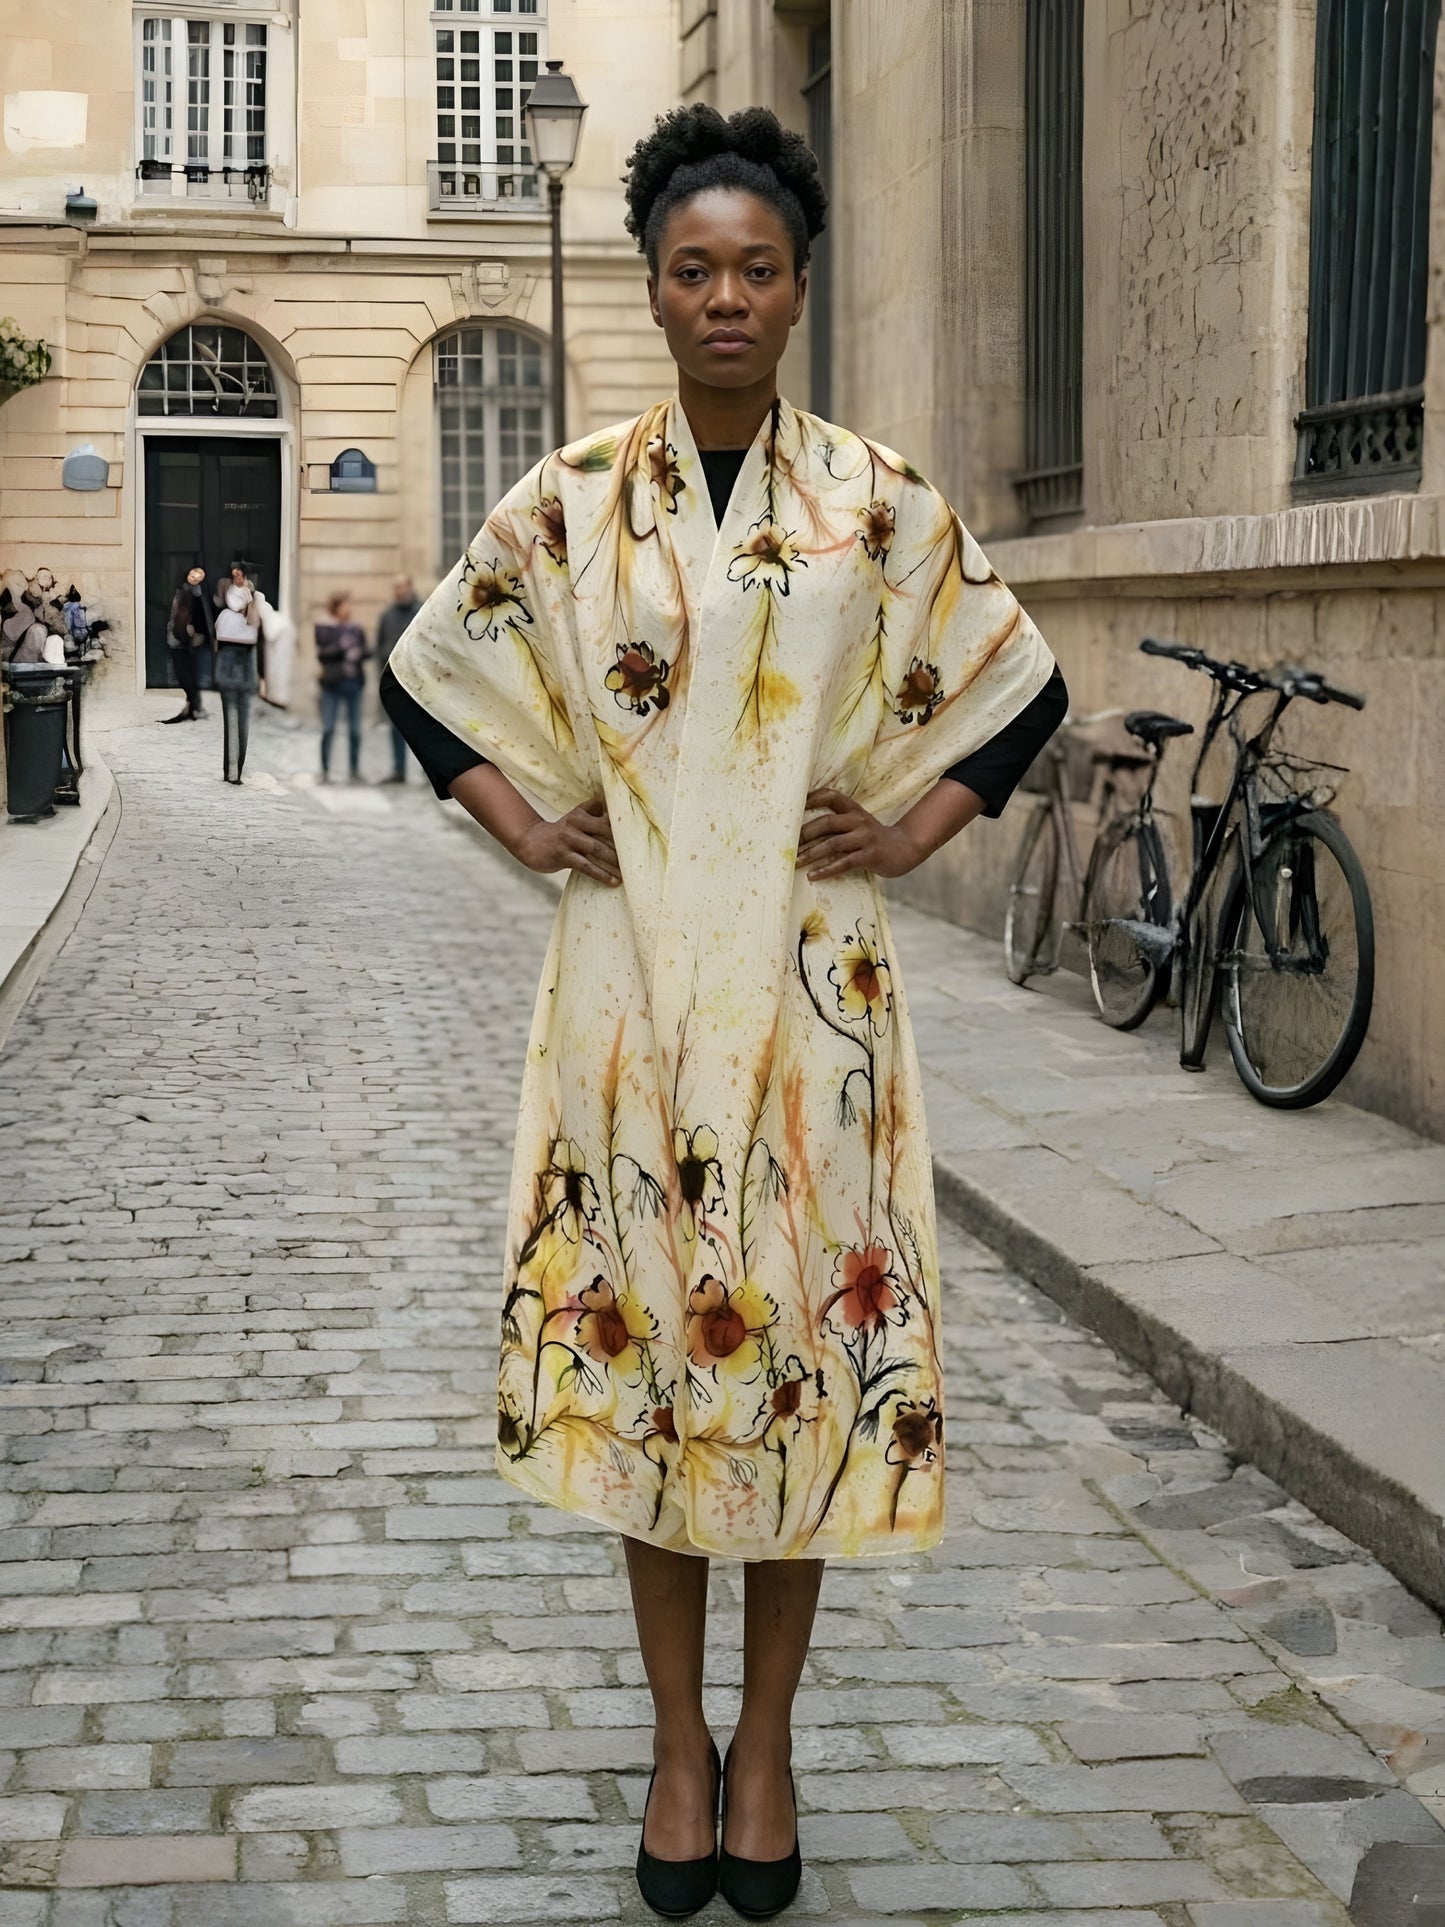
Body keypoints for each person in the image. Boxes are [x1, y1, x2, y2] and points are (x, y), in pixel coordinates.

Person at [383, 104, 1067, 1922]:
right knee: (652, 1357)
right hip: (621, 995)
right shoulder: (572, 497)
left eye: (759, 269)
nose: (728, 298)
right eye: (696, 270)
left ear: (798, 286)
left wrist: (914, 826)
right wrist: (530, 822)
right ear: (656, 286)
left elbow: (1018, 688)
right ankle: (674, 1739)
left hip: (813, 997)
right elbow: (432, 674)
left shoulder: (873, 497)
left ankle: (768, 1740)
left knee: (796, 1371)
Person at [213, 563, 261, 784]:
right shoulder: (227, 614)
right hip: (234, 664)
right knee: (235, 719)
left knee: (238, 721)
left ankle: (234, 770)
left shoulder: (253, 607)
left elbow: (255, 622)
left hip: (241, 666)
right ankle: (233, 770)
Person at [314, 591, 368, 782]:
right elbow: (322, 654)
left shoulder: (356, 629)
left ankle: (354, 770)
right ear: (336, 607)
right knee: (328, 728)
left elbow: (365, 650)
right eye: (345, 605)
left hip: (353, 683)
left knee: (355, 730)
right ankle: (325, 770)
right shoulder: (324, 627)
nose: (349, 609)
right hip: (331, 684)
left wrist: (360, 653)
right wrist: (343, 650)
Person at [374, 575, 421, 782]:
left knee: (421, 730)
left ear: (410, 587)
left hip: (418, 680)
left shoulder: (422, 611)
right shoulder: (388, 615)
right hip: (394, 680)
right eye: (395, 588)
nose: (398, 591)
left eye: (401, 587)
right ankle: (399, 770)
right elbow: (380, 644)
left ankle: (427, 773)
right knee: (395, 728)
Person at [163, 566, 210, 724]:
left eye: (198, 577)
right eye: (193, 575)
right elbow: (179, 616)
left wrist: (189, 635)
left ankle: (193, 705)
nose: (194, 578)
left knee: (186, 672)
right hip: (180, 637)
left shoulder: (193, 594)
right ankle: (192, 705)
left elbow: (186, 616)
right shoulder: (183, 592)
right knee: (184, 672)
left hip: (183, 638)